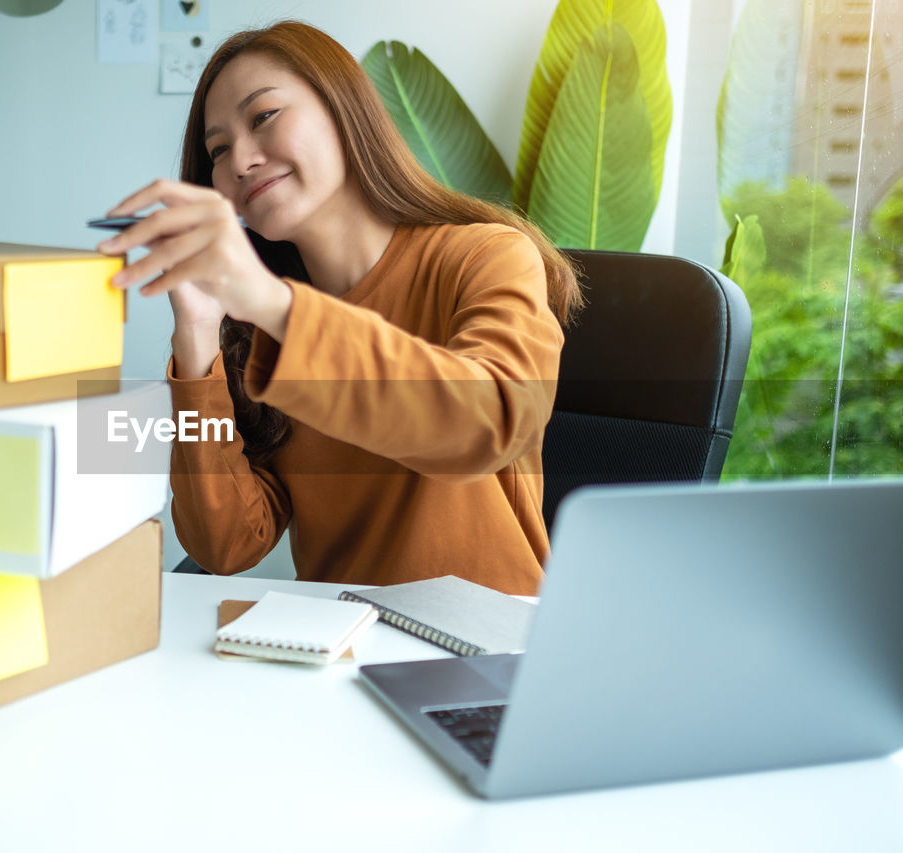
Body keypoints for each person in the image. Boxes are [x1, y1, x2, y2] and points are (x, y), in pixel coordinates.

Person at [96, 21, 581, 596]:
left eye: (264, 116)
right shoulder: (257, 334)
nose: (241, 161)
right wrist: (197, 336)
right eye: (218, 149)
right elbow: (225, 543)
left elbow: (489, 424)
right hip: (333, 650)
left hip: (482, 655)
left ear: (344, 109)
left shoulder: (486, 257)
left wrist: (276, 305)